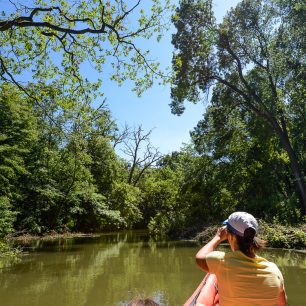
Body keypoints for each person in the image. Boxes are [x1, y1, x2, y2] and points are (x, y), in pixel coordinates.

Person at [195, 212, 287, 306]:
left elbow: (199, 258)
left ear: (231, 237)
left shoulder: (221, 262)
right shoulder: (274, 270)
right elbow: (282, 303)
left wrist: (217, 237)